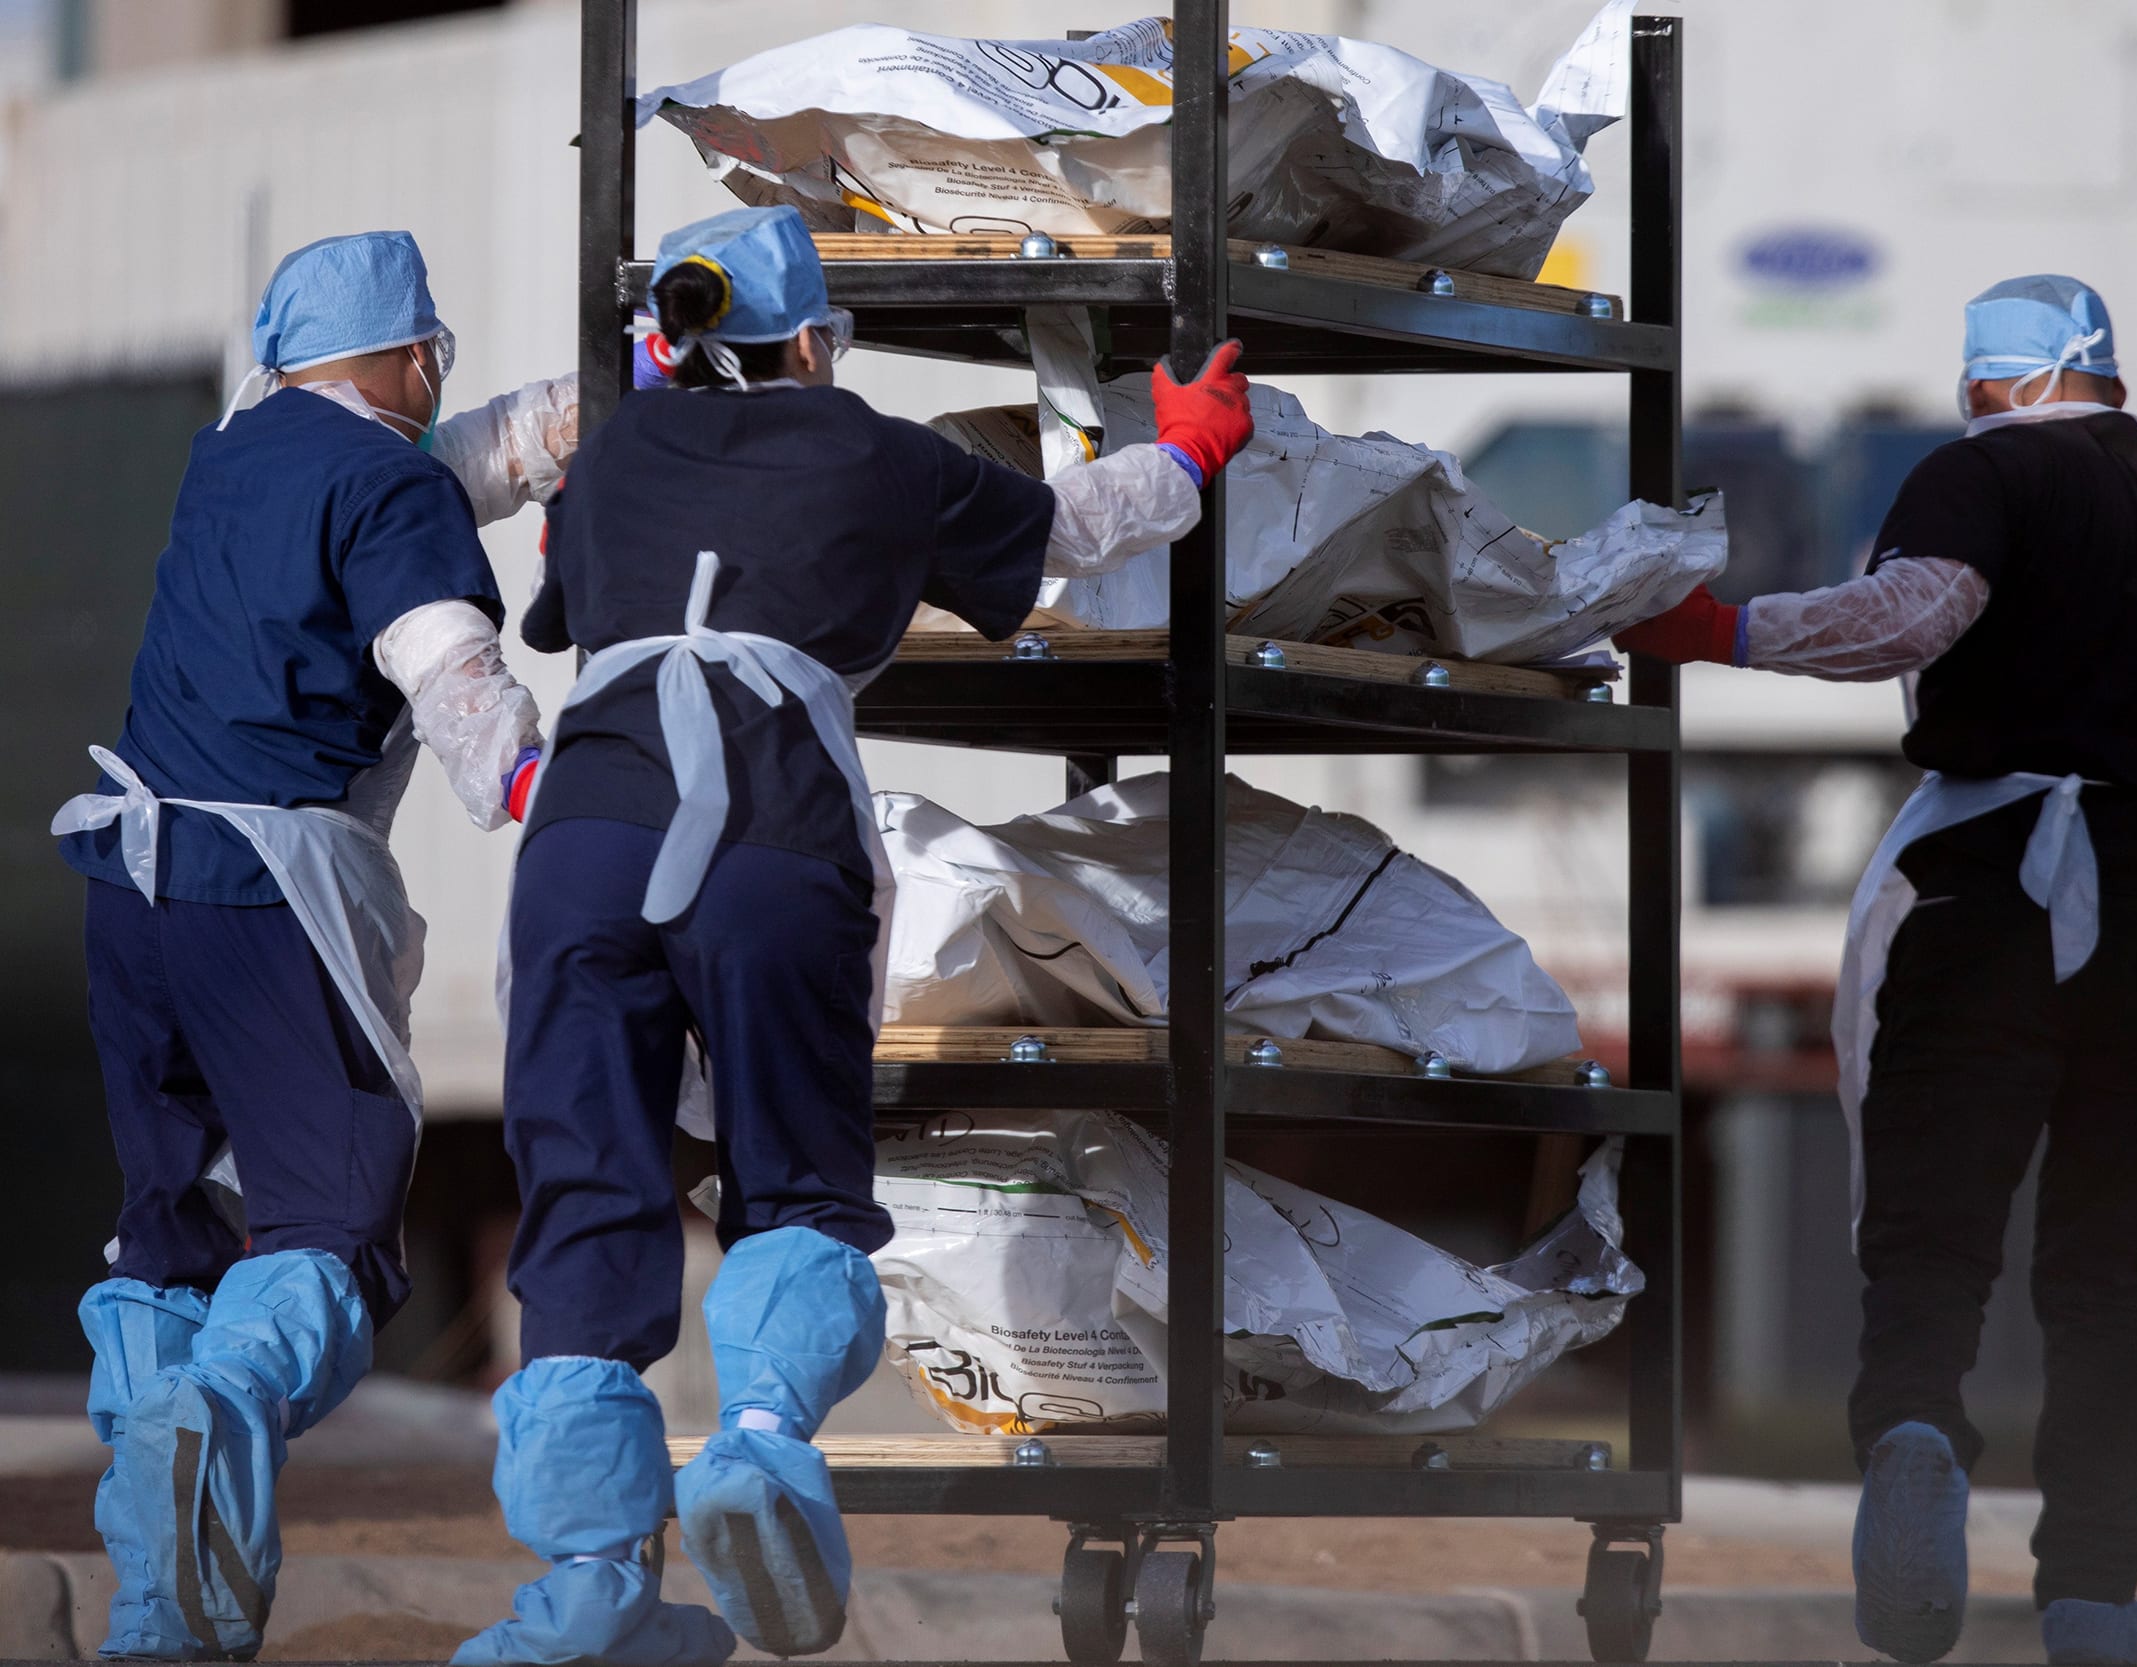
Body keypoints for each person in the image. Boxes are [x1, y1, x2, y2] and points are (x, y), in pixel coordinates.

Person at [453, 204, 1253, 1667]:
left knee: (586, 1189)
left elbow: (573, 609)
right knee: (798, 1183)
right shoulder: (879, 449)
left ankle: (583, 1594)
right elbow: (1070, 531)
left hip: (583, 838)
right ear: (812, 338)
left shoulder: (616, 444)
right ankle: (757, 1443)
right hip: (768, 830)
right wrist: (1189, 451)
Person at [1618, 275, 2137, 1667]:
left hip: (1996, 889)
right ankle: (2097, 1597)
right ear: (2107, 379)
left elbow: (1912, 617)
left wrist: (1723, 631)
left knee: (1933, 1235)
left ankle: (1920, 1430)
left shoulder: (1980, 474)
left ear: (1994, 380)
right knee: (2103, 1273)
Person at [51, 229, 575, 1661]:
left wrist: (552, 429)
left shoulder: (237, 452)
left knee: (172, 1234)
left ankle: (163, 1618)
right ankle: (220, 1414)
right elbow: (447, 665)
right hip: (258, 896)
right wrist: (550, 790)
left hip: (127, 881)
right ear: (410, 357)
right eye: (433, 360)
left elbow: (400, 480)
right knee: (328, 1230)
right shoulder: (388, 489)